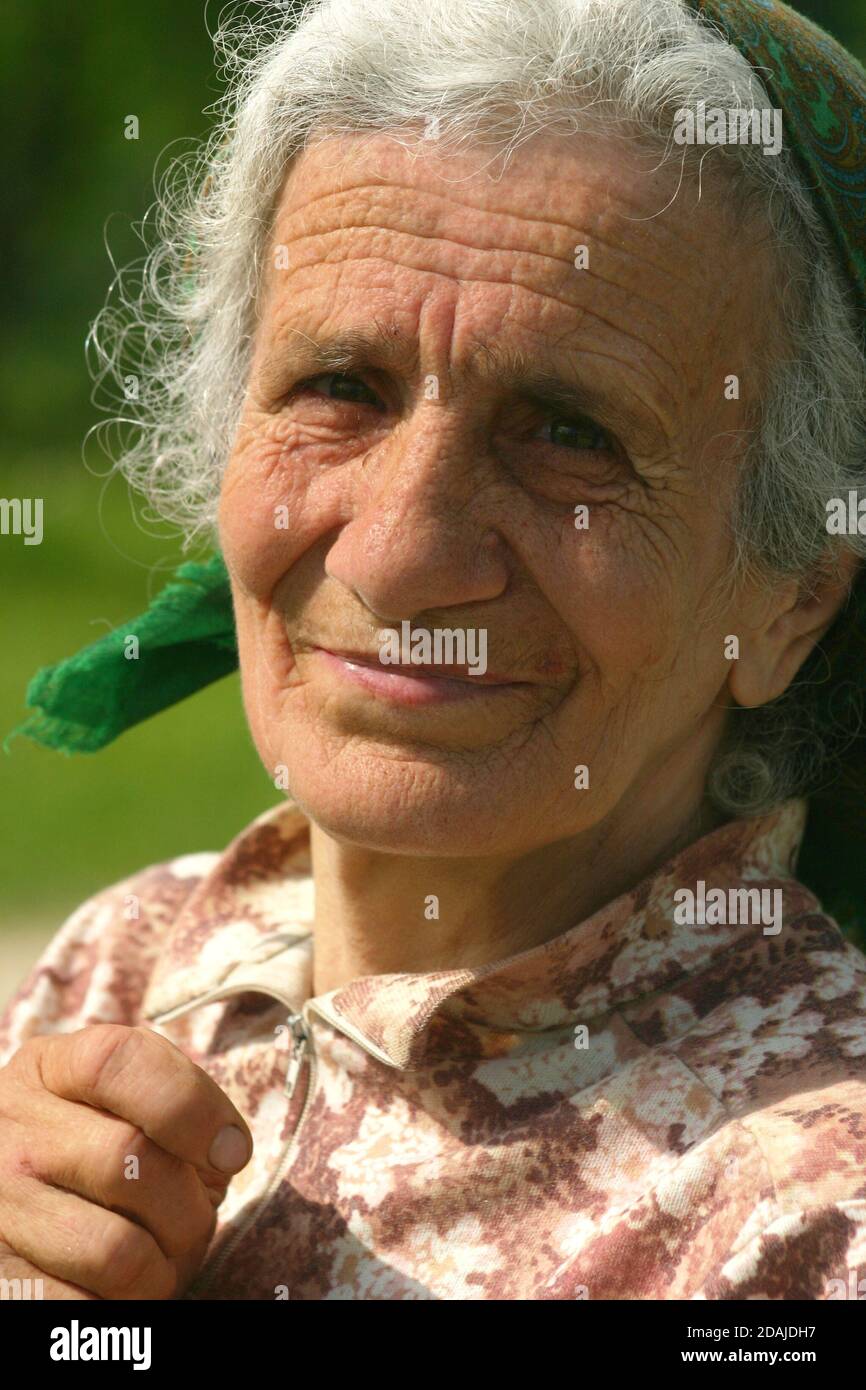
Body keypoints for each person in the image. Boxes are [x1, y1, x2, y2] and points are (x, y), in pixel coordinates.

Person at [1, 0, 866, 1300]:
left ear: (791, 596)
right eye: (338, 386)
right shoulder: (127, 963)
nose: (399, 554)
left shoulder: (806, 1207)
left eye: (568, 432)